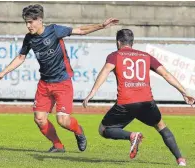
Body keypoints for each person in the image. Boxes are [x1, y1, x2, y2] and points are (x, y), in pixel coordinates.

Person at [0, 4, 118, 153]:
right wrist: (3, 72)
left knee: (62, 120)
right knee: (39, 119)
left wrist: (101, 26)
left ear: (39, 20)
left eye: (30, 22)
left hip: (62, 82)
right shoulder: (29, 38)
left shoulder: (54, 30)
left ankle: (78, 131)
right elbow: (21, 57)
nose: (28, 26)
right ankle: (58, 145)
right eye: (26, 22)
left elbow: (80, 30)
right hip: (44, 84)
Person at [83, 29, 194, 166]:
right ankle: (180, 160)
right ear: (132, 42)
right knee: (161, 126)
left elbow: (104, 72)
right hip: (147, 102)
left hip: (126, 103)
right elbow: (166, 74)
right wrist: (184, 91)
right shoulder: (146, 56)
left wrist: (92, 93)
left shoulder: (115, 56)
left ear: (118, 42)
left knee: (104, 129)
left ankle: (132, 135)